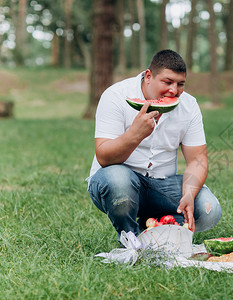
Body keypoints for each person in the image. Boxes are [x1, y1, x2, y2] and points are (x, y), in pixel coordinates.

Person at [86, 49, 221, 241]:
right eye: (167, 82)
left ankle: (151, 229)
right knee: (118, 181)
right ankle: (130, 240)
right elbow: (104, 157)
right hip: (117, 181)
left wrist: (189, 194)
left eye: (180, 84)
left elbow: (198, 160)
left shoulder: (189, 105)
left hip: (162, 185)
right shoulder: (115, 96)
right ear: (148, 76)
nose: (174, 91)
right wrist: (135, 134)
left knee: (209, 209)